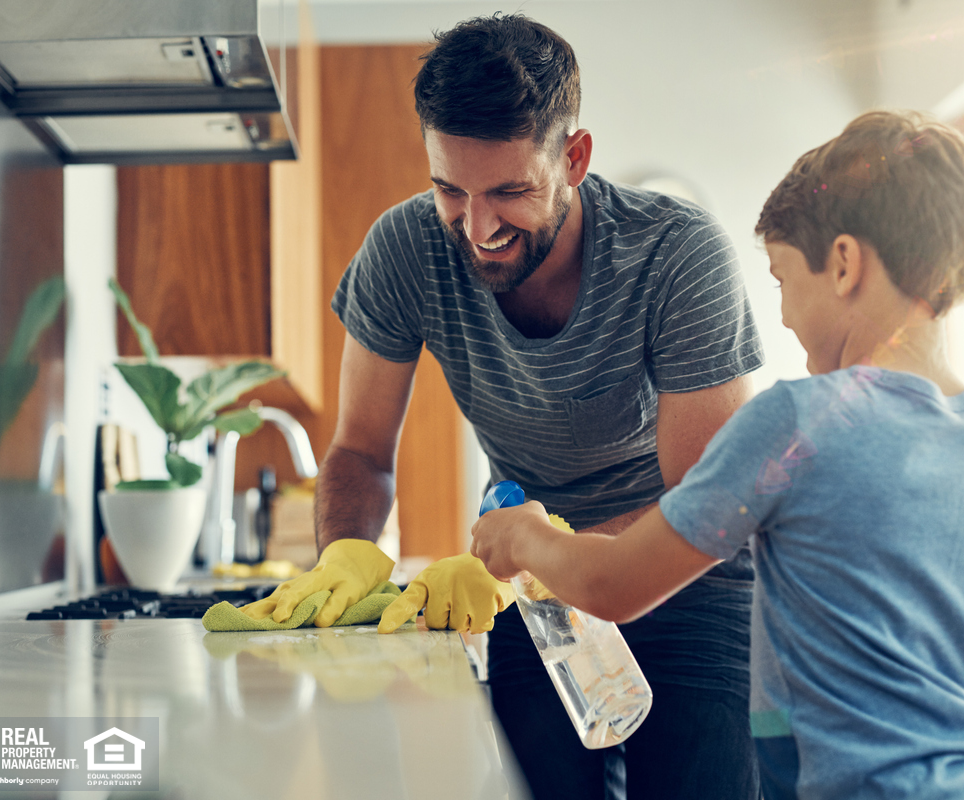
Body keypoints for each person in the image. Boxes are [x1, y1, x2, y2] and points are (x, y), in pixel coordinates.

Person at [240, 13, 763, 800]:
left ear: (574, 158)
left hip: (682, 586)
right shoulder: (406, 249)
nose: (477, 227)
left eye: (510, 192)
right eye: (450, 189)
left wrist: (545, 548)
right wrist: (346, 551)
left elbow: (701, 510)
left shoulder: (677, 256)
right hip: (529, 592)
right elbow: (359, 451)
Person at [472, 108, 964, 800]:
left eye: (783, 279)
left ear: (845, 264)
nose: (786, 314)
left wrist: (525, 537)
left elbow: (617, 586)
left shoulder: (797, 426)